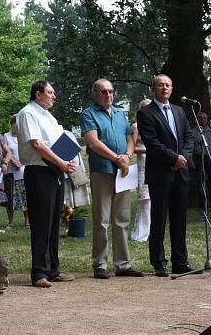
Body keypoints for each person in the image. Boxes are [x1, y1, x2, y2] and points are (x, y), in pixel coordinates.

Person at [80, 78, 142, 279]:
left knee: (122, 218)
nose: (108, 95)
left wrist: (126, 156)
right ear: (95, 94)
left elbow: (130, 138)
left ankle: (123, 264)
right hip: (103, 170)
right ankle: (100, 264)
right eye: (103, 92)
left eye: (110, 91)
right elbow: (93, 142)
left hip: (122, 172)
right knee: (102, 219)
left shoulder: (119, 113)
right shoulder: (88, 114)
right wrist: (117, 158)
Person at [17, 80, 76, 287]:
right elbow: (37, 144)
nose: (54, 96)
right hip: (39, 171)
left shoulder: (48, 116)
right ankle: (39, 272)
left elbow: (58, 141)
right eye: (50, 92)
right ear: (38, 94)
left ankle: (53, 269)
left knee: (52, 222)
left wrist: (67, 160)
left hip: (54, 170)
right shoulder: (28, 113)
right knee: (41, 221)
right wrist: (61, 161)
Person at [137, 73, 194, 277]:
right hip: (160, 173)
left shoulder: (179, 111)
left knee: (179, 218)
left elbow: (189, 137)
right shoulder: (146, 113)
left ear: (172, 89)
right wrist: (173, 159)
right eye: (160, 85)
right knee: (159, 217)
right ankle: (159, 262)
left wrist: (183, 158)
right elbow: (152, 143)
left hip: (181, 173)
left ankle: (180, 261)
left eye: (168, 85)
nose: (164, 88)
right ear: (154, 88)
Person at [191, 111, 211, 212]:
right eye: (201, 118)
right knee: (201, 183)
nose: (203, 120)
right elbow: (190, 148)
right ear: (197, 119)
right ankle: (203, 206)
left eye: (205, 118)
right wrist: (191, 161)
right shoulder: (193, 132)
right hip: (200, 158)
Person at [131, 99, 152, 242]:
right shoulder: (136, 126)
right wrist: (148, 150)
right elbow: (132, 147)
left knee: (153, 198)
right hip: (143, 163)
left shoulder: (154, 124)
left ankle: (151, 231)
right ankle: (142, 233)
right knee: (145, 199)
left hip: (155, 163)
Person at [4, 114, 29, 228]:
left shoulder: (24, 136)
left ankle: (27, 221)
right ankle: (11, 221)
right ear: (11, 124)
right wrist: (14, 162)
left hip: (24, 170)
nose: (17, 126)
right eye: (15, 123)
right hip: (11, 171)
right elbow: (5, 151)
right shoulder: (6, 136)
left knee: (26, 196)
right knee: (10, 196)